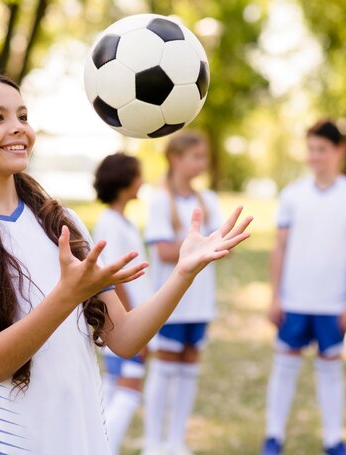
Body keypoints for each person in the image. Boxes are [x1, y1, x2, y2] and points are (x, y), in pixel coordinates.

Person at [0, 70, 252, 455]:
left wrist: (183, 272)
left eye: (23, 116)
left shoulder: (63, 223)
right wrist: (67, 294)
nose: (18, 128)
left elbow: (123, 338)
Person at [261, 120, 346, 455]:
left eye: (322, 150)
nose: (315, 157)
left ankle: (333, 439)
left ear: (339, 151)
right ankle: (273, 436)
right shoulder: (293, 195)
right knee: (285, 365)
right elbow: (280, 247)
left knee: (330, 368)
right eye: (311, 149)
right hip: (294, 300)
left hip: (334, 303)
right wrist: (275, 295)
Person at [142, 131, 223, 455]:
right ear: (176, 158)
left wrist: (206, 247)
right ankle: (153, 443)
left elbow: (222, 245)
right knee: (164, 367)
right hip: (171, 303)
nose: (202, 163)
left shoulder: (209, 200)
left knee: (189, 368)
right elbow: (162, 251)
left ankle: (176, 442)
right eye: (196, 157)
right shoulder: (161, 200)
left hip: (201, 303)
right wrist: (203, 246)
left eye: (204, 157)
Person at [92, 152, 151, 454]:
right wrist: (129, 324)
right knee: (130, 386)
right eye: (138, 175)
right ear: (124, 181)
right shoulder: (111, 224)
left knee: (114, 387)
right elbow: (113, 278)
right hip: (124, 321)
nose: (142, 181)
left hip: (129, 319)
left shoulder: (121, 221)